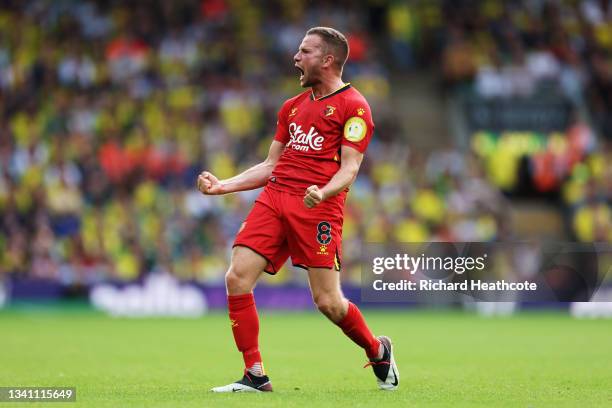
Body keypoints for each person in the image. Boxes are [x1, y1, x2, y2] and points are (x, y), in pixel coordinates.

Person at [198, 27, 399, 392]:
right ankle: (255, 374)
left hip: (317, 208)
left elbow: (350, 168)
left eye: (304, 51)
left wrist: (322, 193)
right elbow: (271, 164)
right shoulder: (291, 107)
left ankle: (377, 349)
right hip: (275, 199)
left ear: (327, 60)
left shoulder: (355, 106)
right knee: (236, 277)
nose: (296, 57)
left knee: (327, 302)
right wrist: (223, 185)